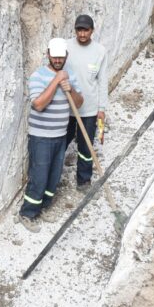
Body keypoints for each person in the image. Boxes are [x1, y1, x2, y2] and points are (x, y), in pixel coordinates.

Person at [19, 38, 82, 229]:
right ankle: (27, 213)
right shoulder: (38, 76)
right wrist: (56, 81)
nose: (57, 60)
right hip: (41, 137)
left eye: (60, 57)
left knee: (54, 177)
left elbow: (78, 104)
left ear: (66, 57)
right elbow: (38, 105)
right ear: (48, 54)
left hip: (60, 135)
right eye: (54, 56)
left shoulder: (70, 76)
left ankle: (43, 207)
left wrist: (69, 88)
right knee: (39, 177)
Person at [65, 15, 108, 188]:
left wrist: (102, 108)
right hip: (67, 107)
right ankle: (51, 177)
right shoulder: (66, 47)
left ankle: (83, 179)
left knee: (86, 146)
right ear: (75, 30)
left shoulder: (100, 51)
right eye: (79, 30)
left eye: (86, 30)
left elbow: (102, 81)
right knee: (61, 142)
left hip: (89, 109)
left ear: (92, 31)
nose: (82, 34)